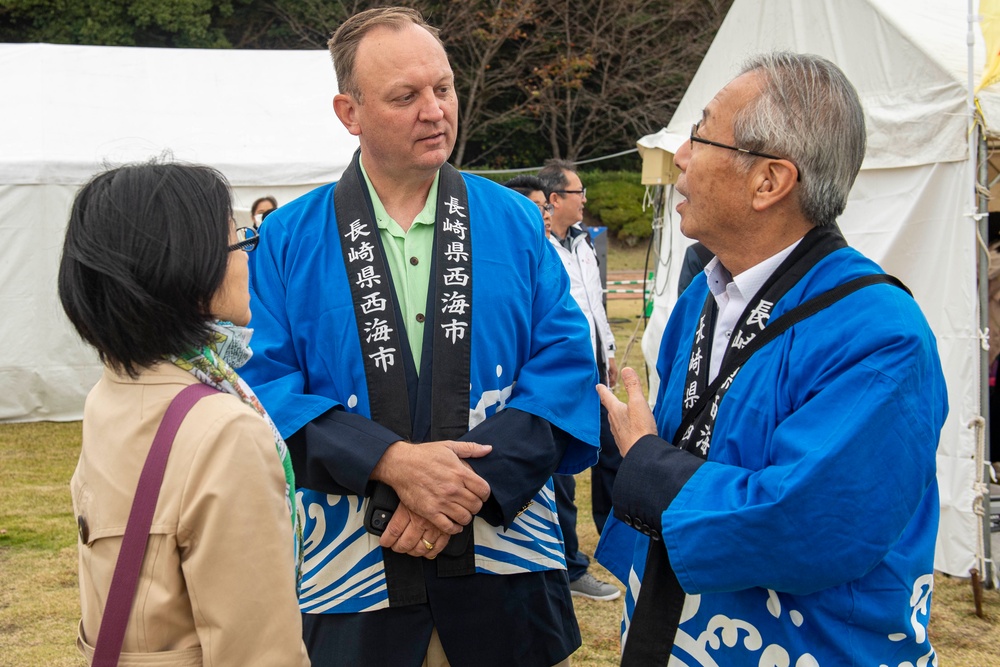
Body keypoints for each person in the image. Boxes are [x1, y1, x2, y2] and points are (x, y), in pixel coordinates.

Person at [240, 7, 599, 667]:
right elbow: (266, 389)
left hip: (504, 564)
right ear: (349, 112)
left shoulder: (516, 221)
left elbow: (567, 367)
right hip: (356, 570)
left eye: (444, 87)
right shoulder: (289, 237)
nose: (435, 111)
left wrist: (462, 486)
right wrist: (390, 463)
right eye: (405, 97)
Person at [595, 52, 948, 665]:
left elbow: (807, 522)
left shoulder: (880, 335)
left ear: (769, 181)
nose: (679, 155)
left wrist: (645, 460)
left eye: (701, 135)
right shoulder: (701, 300)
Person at [58, 161, 309, 666]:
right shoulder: (225, 430)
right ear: (190, 270)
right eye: (239, 243)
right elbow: (259, 653)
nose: (247, 260)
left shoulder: (113, 390)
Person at [538, 159, 621, 602]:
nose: (585, 199)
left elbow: (596, 305)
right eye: (578, 191)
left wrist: (607, 351)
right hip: (562, 374)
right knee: (563, 473)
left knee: (614, 453)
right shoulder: (539, 247)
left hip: (594, 365)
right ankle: (570, 566)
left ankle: (617, 536)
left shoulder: (584, 243)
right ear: (555, 200)